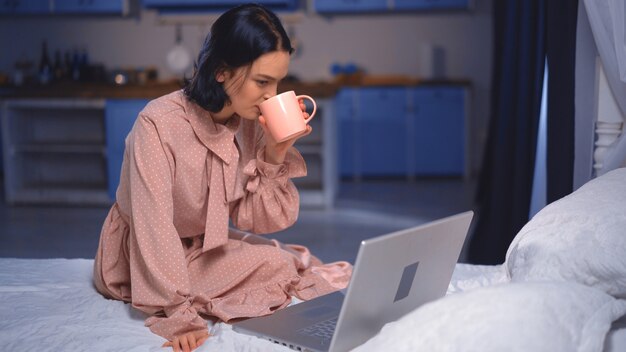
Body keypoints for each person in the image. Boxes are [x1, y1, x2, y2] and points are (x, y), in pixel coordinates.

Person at [93, 4, 352, 352]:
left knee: (286, 256)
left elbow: (257, 220)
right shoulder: (156, 124)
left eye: (277, 82)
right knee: (277, 264)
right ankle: (181, 291)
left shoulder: (248, 122)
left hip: (200, 244)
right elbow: (152, 227)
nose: (271, 95)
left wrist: (275, 153)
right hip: (141, 255)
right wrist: (178, 314)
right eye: (262, 81)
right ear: (221, 72)